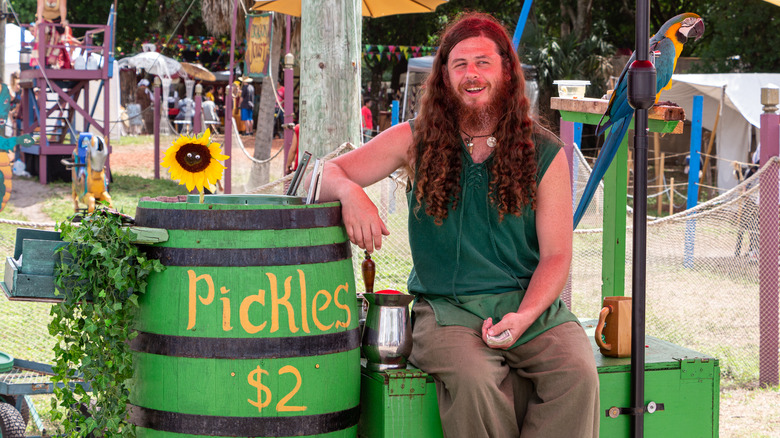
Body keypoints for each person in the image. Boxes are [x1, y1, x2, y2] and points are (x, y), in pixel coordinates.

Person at [315, 12, 599, 437]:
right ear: (444, 77)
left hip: (530, 307)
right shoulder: (415, 139)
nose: (472, 74)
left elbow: (557, 256)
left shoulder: (544, 151)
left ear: (506, 69)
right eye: (459, 64)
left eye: (483, 62)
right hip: (445, 309)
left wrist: (523, 317)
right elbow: (322, 175)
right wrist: (351, 193)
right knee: (474, 380)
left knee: (578, 373)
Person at [33, 0, 72, 69]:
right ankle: (42, 60)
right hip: (44, 20)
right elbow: (40, 7)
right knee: (44, 31)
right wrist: (39, 20)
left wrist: (63, 20)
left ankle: (50, 62)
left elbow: (63, 8)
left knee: (56, 38)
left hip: (56, 21)